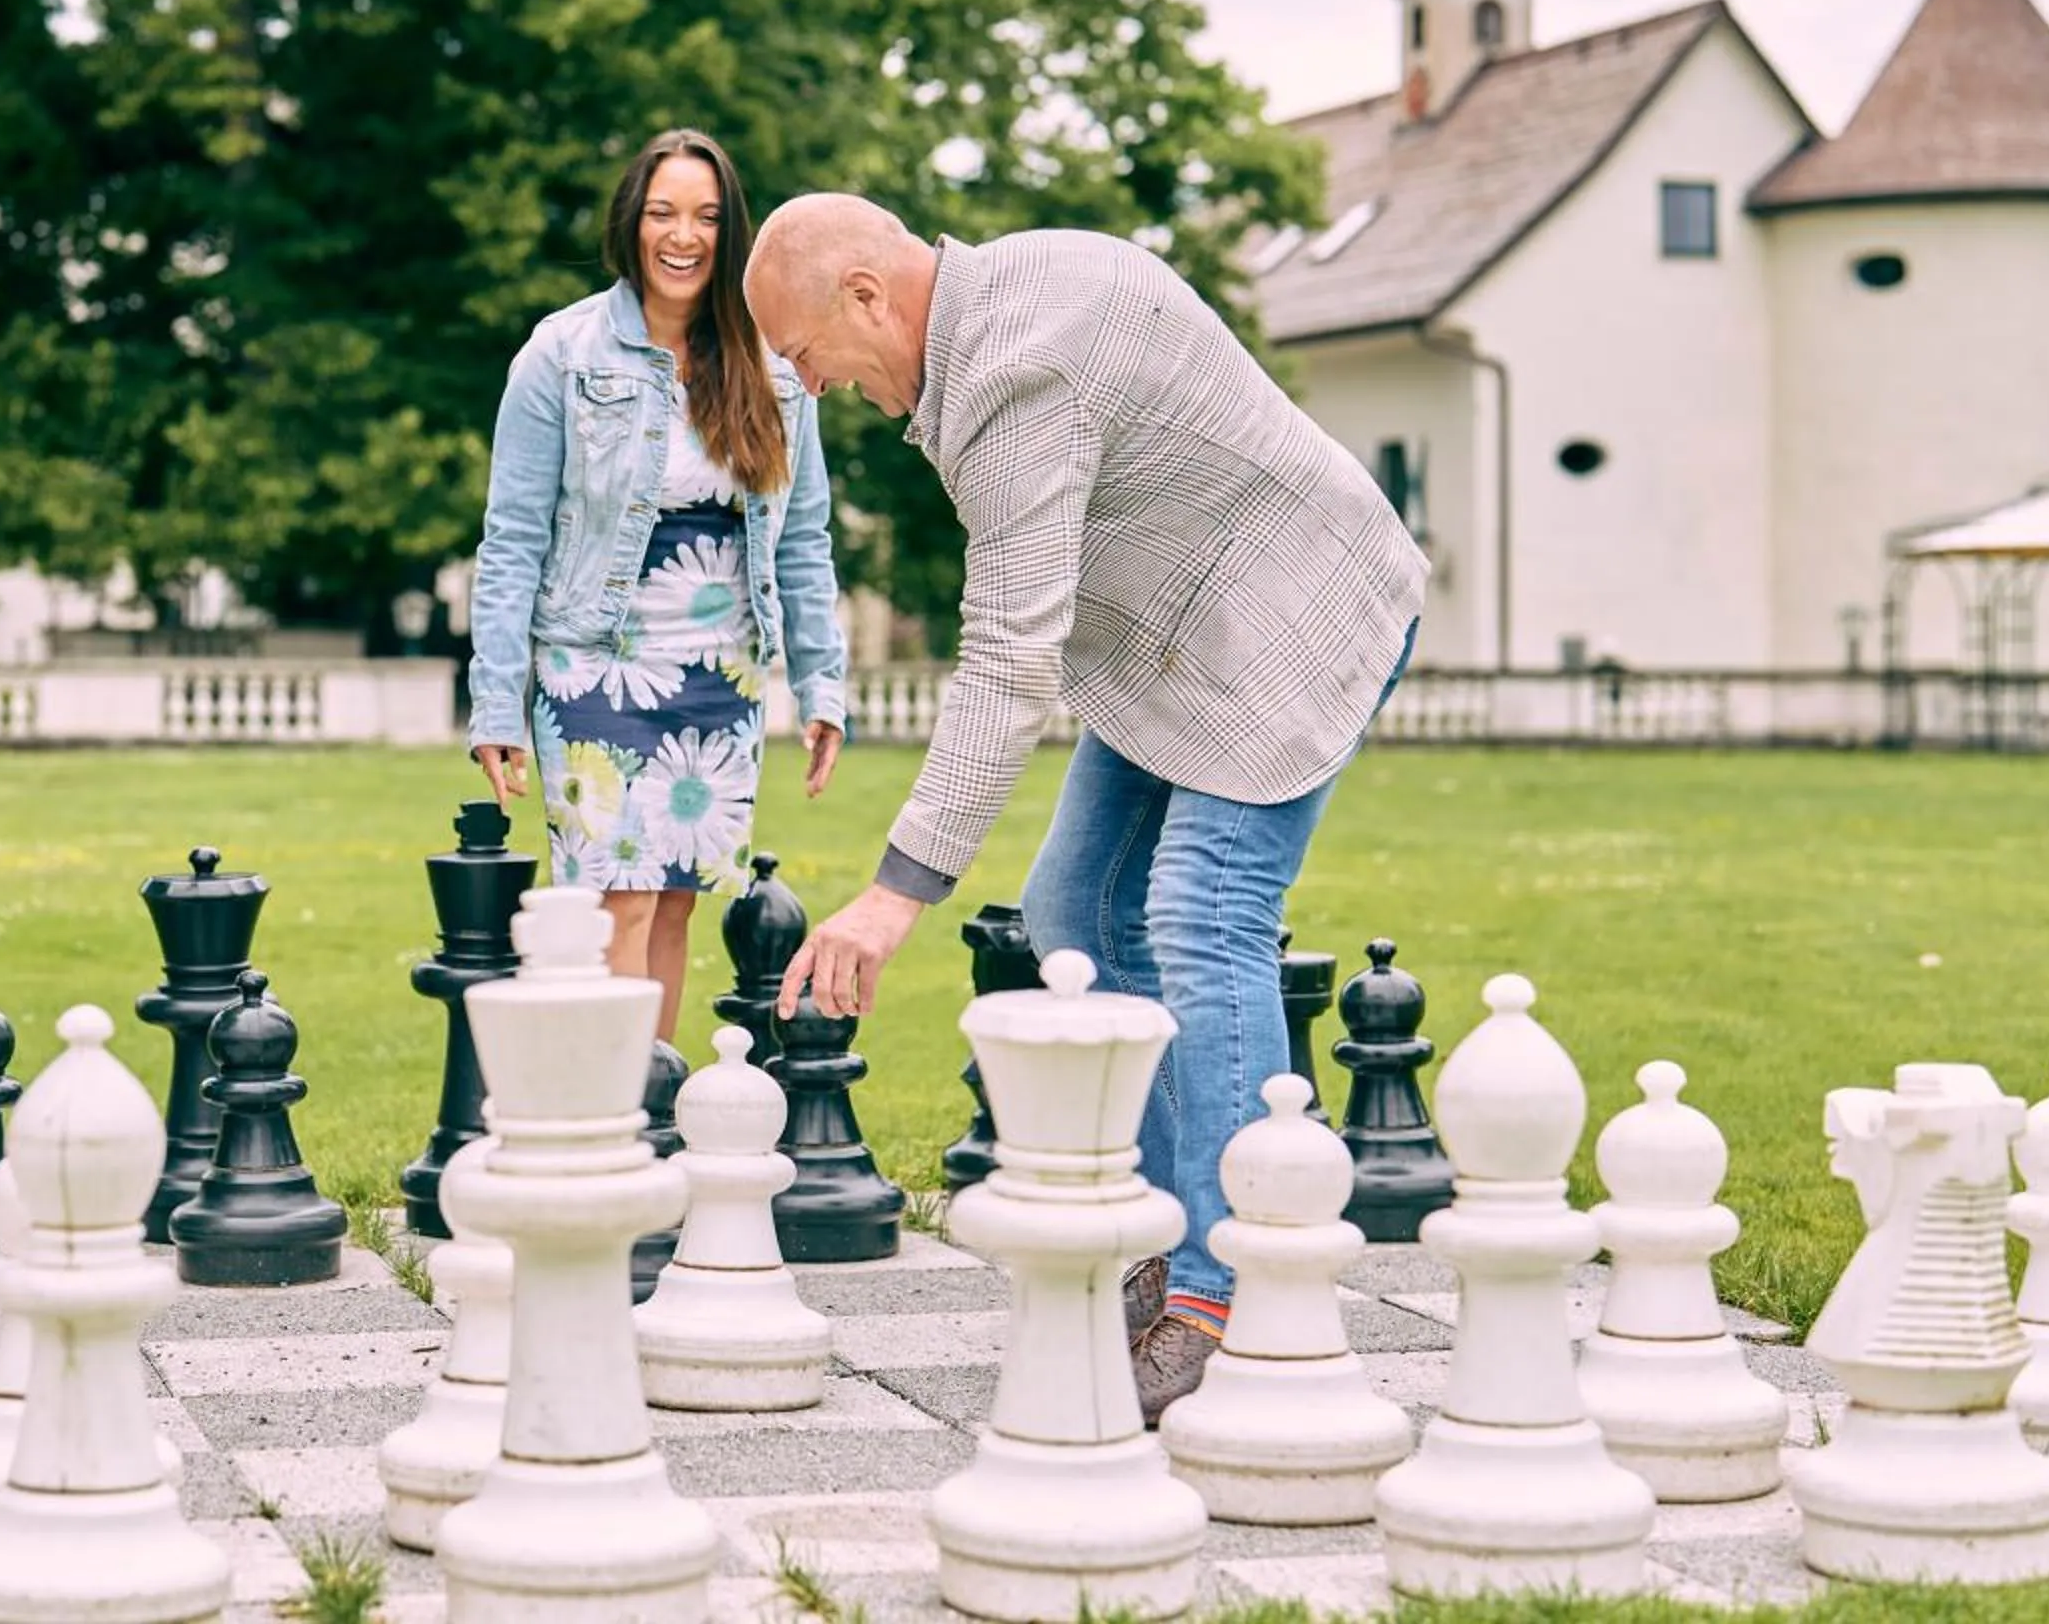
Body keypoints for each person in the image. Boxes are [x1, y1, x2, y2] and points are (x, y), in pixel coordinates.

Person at [743, 193, 1425, 1422]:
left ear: (863, 295)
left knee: (1202, 910)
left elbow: (1009, 658)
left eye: (804, 354)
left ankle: (1229, 1293)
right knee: (1075, 902)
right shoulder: (1001, 298)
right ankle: (1168, 1236)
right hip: (1178, 627)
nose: (812, 383)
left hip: (1289, 613)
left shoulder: (1016, 368)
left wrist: (897, 895)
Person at [468, 130, 852, 1037]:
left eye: (708, 217)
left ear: (733, 234)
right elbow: (512, 537)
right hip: (593, 665)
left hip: (721, 677)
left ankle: (650, 1101)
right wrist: (495, 701)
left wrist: (822, 682)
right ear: (632, 224)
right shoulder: (560, 354)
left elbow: (804, 538)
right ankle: (608, 1120)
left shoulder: (775, 369)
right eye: (664, 214)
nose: (685, 236)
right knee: (618, 903)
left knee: (675, 905)